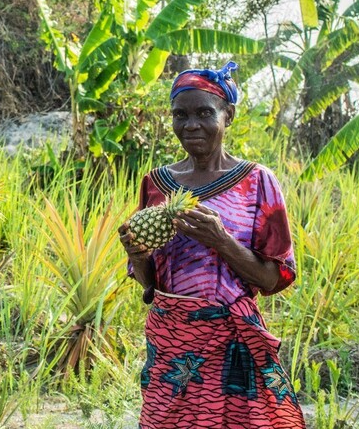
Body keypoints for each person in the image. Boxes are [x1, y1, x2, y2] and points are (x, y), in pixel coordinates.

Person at [119, 62, 305, 428]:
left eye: (205, 112)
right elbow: (149, 285)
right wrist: (136, 255)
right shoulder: (156, 183)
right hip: (174, 342)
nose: (191, 125)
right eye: (180, 115)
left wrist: (220, 240)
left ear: (228, 115)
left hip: (232, 340)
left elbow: (272, 280)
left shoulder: (257, 182)